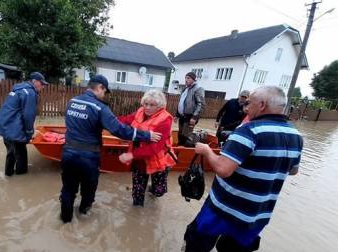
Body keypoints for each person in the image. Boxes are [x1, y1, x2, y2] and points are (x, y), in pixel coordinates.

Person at [183, 86, 303, 252]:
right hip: (257, 213)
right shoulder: (295, 135)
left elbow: (223, 169)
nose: (245, 108)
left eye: (249, 103)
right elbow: (293, 170)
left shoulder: (248, 130)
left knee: (197, 241)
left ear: (261, 105)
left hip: (224, 208)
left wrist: (206, 151)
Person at [60, 75, 162, 223]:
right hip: (88, 157)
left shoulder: (71, 102)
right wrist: (147, 135)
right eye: (104, 91)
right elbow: (119, 130)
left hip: (68, 153)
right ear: (100, 87)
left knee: (68, 190)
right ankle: (83, 216)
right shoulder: (99, 107)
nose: (104, 95)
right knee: (88, 190)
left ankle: (65, 221)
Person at [118, 89, 177, 206]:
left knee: (159, 191)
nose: (148, 107)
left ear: (160, 106)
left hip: (158, 161)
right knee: (137, 195)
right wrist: (106, 120)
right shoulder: (140, 111)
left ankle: (152, 189)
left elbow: (155, 148)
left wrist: (131, 155)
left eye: (152, 105)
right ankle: (137, 213)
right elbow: (125, 120)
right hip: (140, 161)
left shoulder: (165, 120)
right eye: (146, 104)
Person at [0, 72, 49, 176]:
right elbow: (28, 115)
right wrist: (29, 133)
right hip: (13, 128)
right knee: (21, 154)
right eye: (41, 83)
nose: (43, 86)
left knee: (11, 152)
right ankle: (21, 178)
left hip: (4, 126)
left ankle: (8, 175)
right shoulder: (30, 93)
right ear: (34, 81)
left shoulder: (19, 89)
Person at [175, 72, 205, 146]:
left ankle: (188, 152)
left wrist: (194, 117)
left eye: (188, 78)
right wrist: (177, 115)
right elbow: (181, 102)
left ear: (194, 79)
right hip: (182, 116)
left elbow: (201, 104)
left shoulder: (198, 89)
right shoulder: (185, 89)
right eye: (185, 78)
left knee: (186, 136)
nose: (186, 80)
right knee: (180, 134)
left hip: (190, 117)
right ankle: (179, 151)